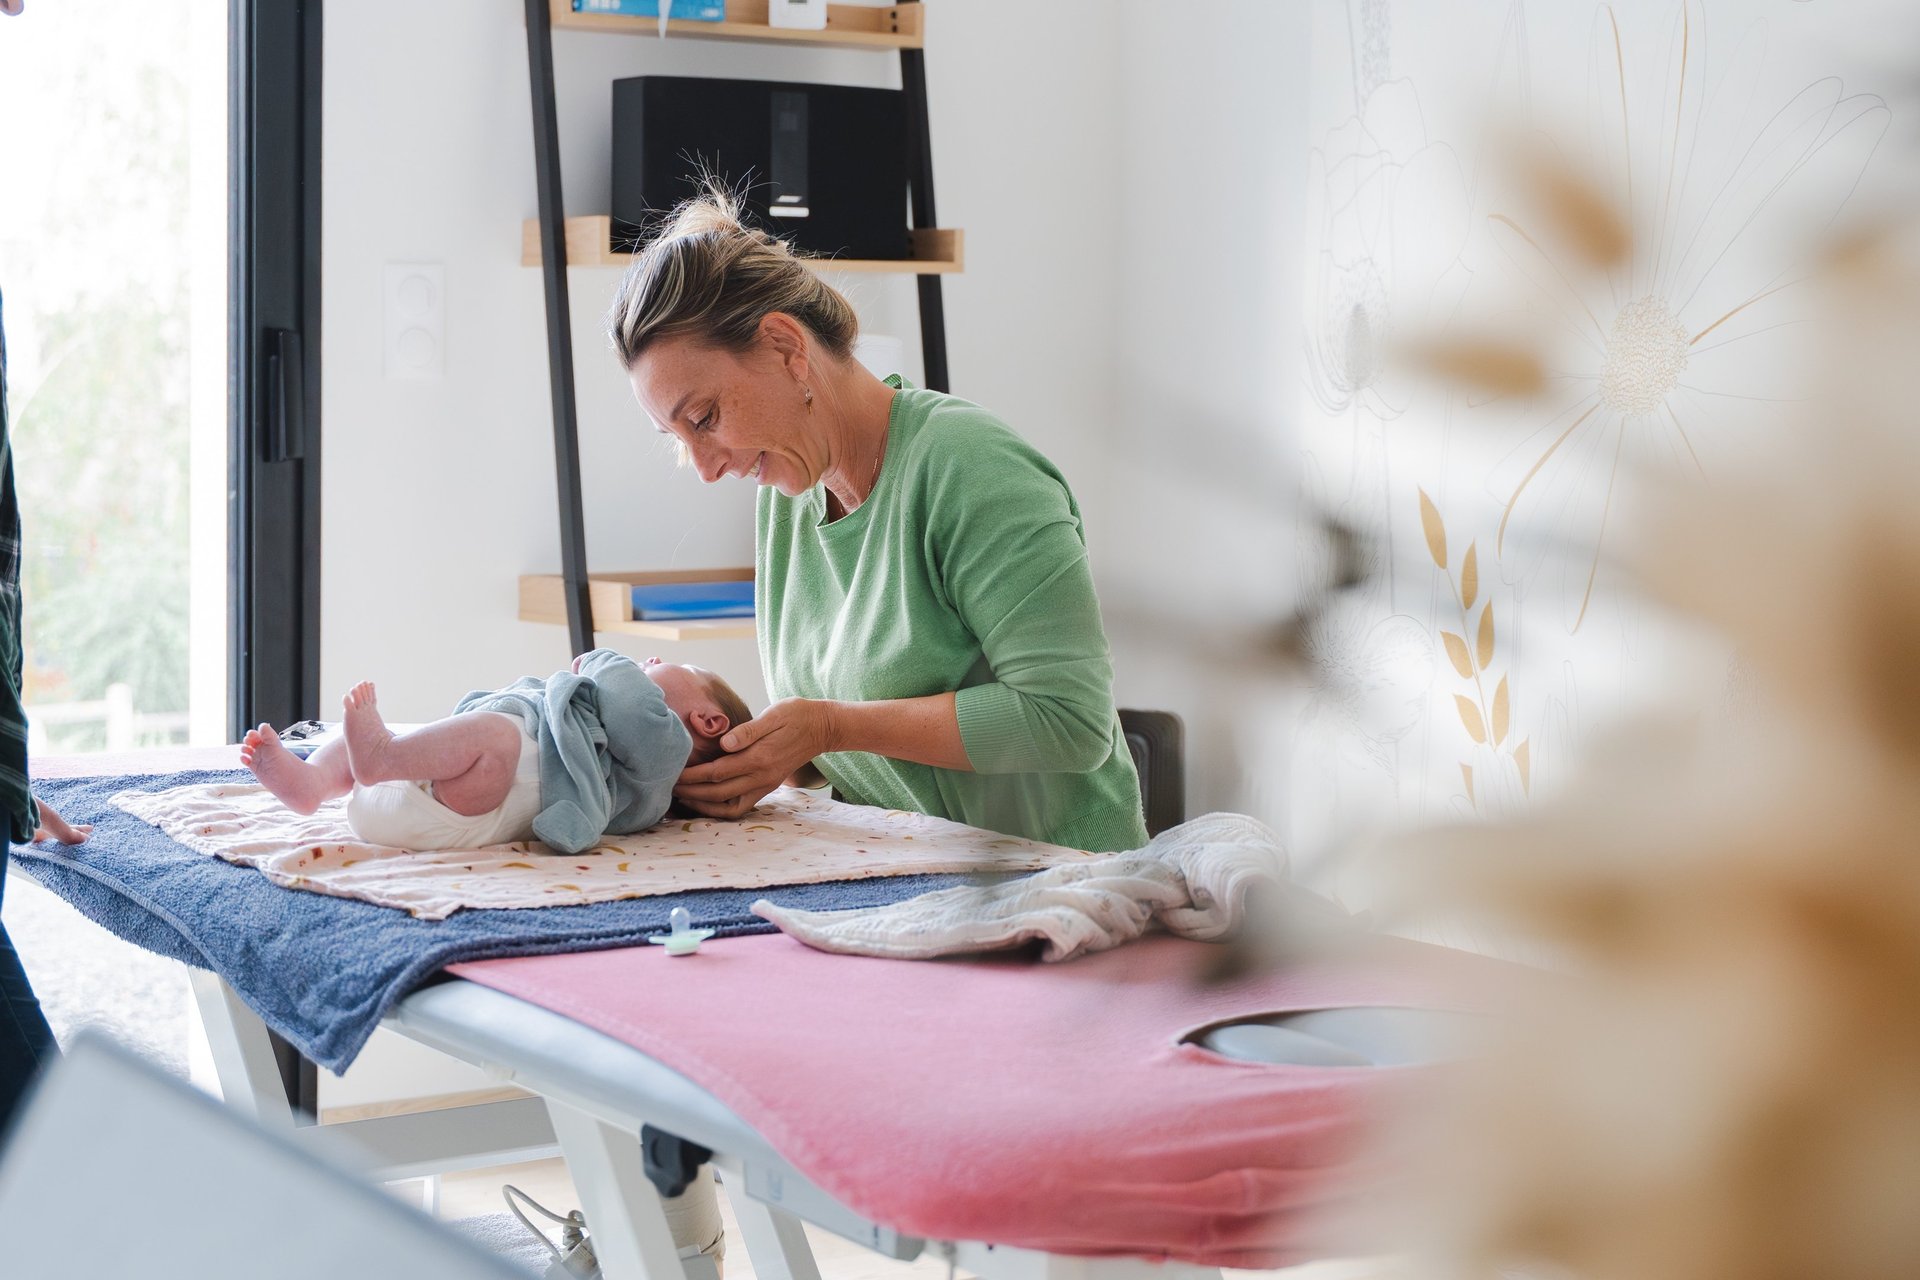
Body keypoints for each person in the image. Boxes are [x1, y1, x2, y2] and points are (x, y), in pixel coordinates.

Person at [607, 189, 1148, 854]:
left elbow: (1069, 722)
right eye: (676, 437)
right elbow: (860, 721)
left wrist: (829, 729)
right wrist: (748, 751)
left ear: (784, 346)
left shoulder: (971, 468)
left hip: (1058, 884)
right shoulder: (787, 491)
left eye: (704, 419)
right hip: (910, 879)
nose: (705, 467)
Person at [240, 651, 751, 855]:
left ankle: (379, 758)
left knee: (495, 740)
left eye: (669, 667)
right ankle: (313, 784)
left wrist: (607, 661)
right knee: (429, 737)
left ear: (707, 721)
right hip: (403, 804)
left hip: (467, 803)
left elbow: (632, 707)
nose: (649, 664)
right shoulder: (613, 749)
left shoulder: (662, 758)